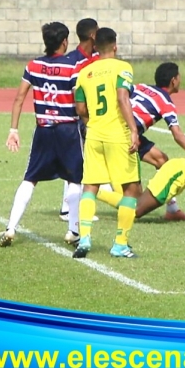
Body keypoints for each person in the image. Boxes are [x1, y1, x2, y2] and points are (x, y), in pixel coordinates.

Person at [0, 22, 84, 247]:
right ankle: (73, 230)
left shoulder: (33, 65)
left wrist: (13, 130)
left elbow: (19, 98)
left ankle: (10, 227)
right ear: (64, 42)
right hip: (68, 130)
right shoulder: (72, 67)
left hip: (44, 129)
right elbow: (78, 100)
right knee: (75, 178)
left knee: (30, 178)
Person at [94, 62, 185, 221]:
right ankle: (96, 191)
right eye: (179, 77)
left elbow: (120, 96)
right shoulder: (166, 103)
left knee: (162, 161)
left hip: (125, 131)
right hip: (124, 136)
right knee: (136, 205)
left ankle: (172, 210)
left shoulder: (141, 87)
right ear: (173, 80)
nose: (180, 80)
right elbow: (177, 135)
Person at [73, 27, 141, 259]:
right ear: (115, 45)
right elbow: (123, 97)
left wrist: (92, 122)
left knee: (90, 187)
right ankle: (120, 243)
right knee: (132, 189)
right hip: (118, 136)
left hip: (93, 135)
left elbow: (80, 108)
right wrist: (133, 130)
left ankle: (84, 237)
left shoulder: (85, 72)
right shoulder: (123, 67)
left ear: (95, 47)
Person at [59, 17, 99, 223]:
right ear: (93, 35)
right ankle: (67, 208)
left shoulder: (99, 58)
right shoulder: (72, 60)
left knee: (90, 160)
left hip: (96, 117)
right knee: (76, 160)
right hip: (75, 117)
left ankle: (82, 204)